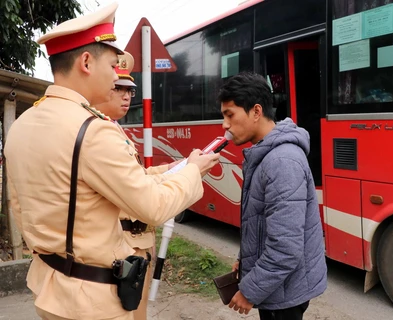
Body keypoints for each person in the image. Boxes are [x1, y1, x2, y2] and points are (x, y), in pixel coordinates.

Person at [4, 3, 220, 320]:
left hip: (48, 286)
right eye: (112, 64)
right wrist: (192, 171)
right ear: (87, 62)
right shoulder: (92, 131)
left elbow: (18, 205)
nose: (115, 76)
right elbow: (153, 207)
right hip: (92, 298)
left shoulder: (23, 124)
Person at [218, 72, 327, 319]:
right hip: (278, 287)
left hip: (285, 294)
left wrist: (249, 292)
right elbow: (262, 222)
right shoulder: (265, 154)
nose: (224, 125)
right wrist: (245, 259)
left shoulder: (281, 161)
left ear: (256, 112)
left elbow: (286, 247)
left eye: (230, 115)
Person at [94, 51, 168, 320]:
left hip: (139, 240)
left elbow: (134, 176)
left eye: (130, 91)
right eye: (118, 89)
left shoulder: (116, 129)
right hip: (124, 243)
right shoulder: (100, 133)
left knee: (139, 311)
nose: (126, 96)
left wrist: (166, 170)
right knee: (129, 312)